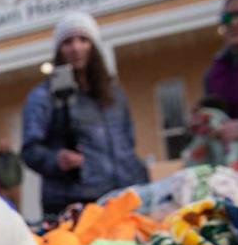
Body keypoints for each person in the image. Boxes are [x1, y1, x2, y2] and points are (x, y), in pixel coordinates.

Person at [21, 11, 148, 216]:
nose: (76, 48)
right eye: (68, 42)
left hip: (123, 197)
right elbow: (30, 150)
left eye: (83, 39)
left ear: (94, 46)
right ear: (59, 50)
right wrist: (56, 160)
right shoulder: (44, 96)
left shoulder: (114, 93)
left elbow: (128, 141)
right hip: (75, 204)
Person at [204, 0, 238, 186]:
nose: (235, 23)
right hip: (235, 177)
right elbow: (215, 112)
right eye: (228, 17)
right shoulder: (216, 69)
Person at [0, 138, 23, 206]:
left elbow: (19, 170)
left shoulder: (14, 157)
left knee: (17, 208)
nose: (3, 148)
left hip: (15, 187)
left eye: (5, 146)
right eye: (1, 146)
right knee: (5, 206)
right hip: (3, 189)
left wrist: (17, 183)